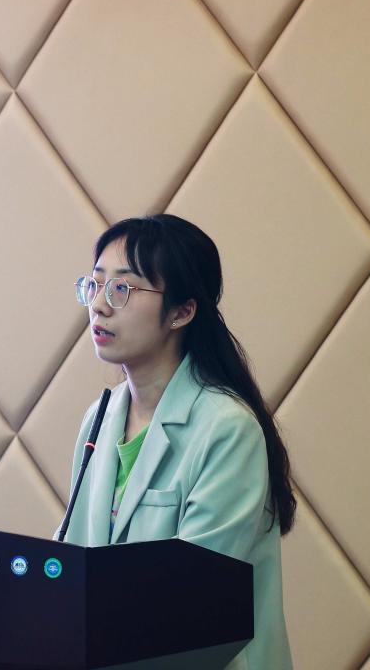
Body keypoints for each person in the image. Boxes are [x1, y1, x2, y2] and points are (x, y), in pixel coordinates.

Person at [63, 214, 295, 669]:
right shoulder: (100, 418)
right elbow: (73, 560)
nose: (100, 306)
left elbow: (191, 600)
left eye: (122, 288)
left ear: (182, 312)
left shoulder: (227, 429)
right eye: (95, 284)